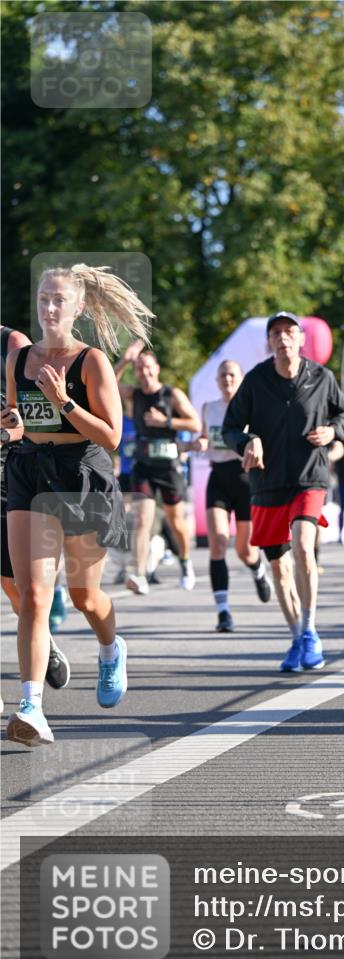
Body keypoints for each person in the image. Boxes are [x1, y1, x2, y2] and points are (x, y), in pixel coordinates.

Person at [2, 264, 152, 746]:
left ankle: (111, 648)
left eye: (58, 300)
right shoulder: (19, 358)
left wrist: (65, 402)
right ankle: (31, 706)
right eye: (43, 298)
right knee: (34, 594)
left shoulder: (92, 361)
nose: (48, 308)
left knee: (86, 597)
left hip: (82, 473)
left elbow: (110, 437)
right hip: (29, 470)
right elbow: (19, 424)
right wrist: (8, 427)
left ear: (78, 307)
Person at [222, 311, 344, 672]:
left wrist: (332, 432)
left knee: (304, 549)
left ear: (301, 339)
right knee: (278, 567)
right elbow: (230, 428)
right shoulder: (256, 380)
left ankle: (310, 631)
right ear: (269, 342)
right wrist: (249, 440)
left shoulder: (322, 377)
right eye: (276, 333)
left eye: (289, 332)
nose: (283, 338)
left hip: (310, 477)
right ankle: (296, 637)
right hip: (267, 482)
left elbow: (343, 416)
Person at [1, 325, 71, 701]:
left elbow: (27, 420)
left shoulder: (12, 346)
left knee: (17, 589)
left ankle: (41, 635)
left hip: (10, 477)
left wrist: (2, 433)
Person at [180, 359, 272, 632]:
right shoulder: (210, 408)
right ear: (217, 381)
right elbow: (206, 438)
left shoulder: (251, 407)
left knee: (244, 550)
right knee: (218, 542)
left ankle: (257, 569)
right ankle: (223, 612)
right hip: (218, 477)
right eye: (222, 376)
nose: (227, 380)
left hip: (245, 479)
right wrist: (196, 444)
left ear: (240, 378)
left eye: (232, 375)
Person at [114, 342, 201, 594]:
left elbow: (195, 424)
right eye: (139, 369)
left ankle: (185, 562)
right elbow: (109, 382)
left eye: (148, 368)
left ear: (157, 369)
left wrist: (167, 421)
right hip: (143, 465)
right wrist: (125, 359)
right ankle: (139, 574)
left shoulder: (171, 395)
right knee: (142, 519)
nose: (144, 373)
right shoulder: (133, 395)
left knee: (176, 522)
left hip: (168, 466)